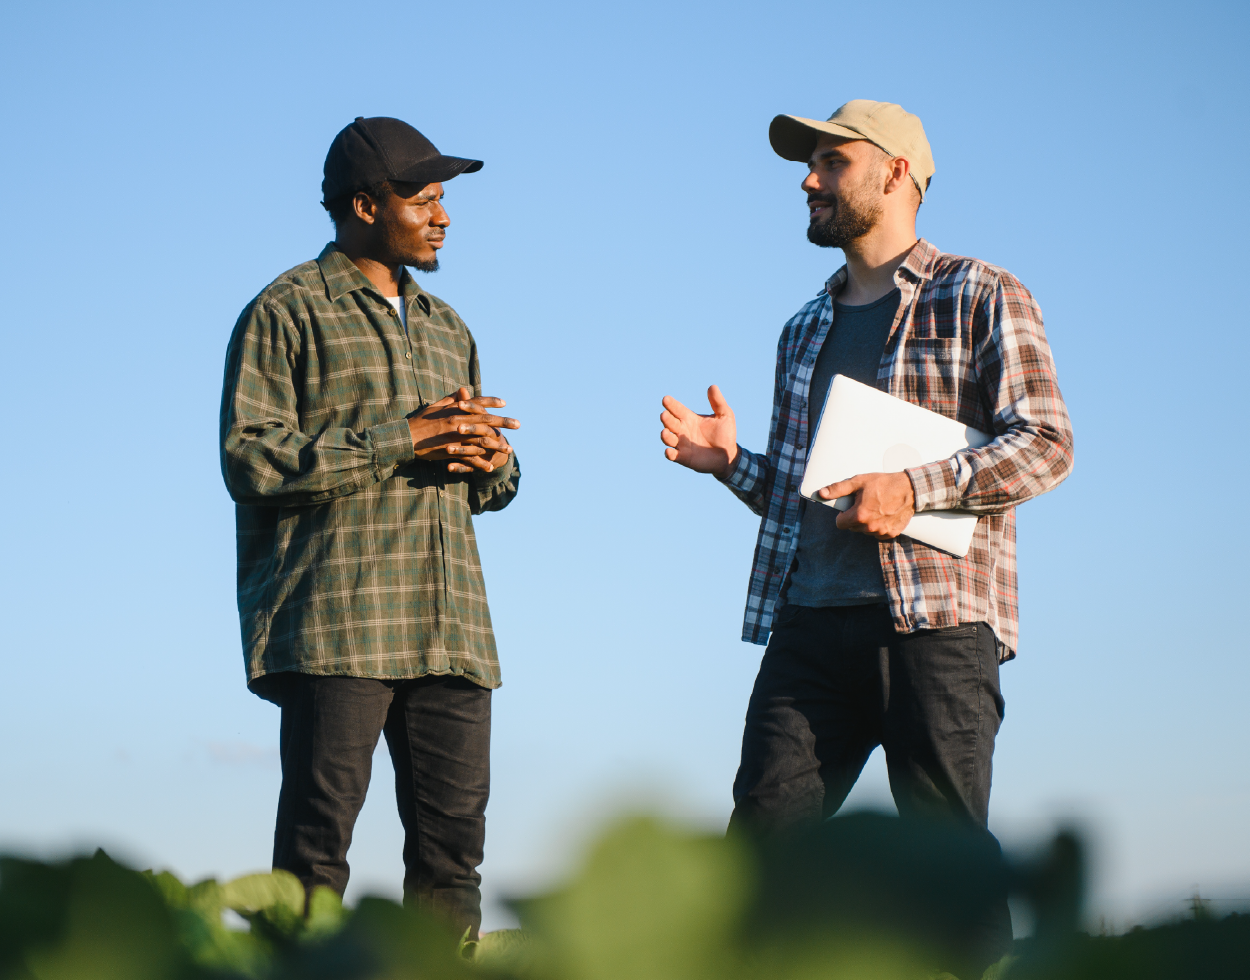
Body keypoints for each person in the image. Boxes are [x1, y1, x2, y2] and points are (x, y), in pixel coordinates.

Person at [659, 100, 1073, 963]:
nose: (808, 181)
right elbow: (811, 498)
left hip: (937, 628)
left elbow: (1046, 444)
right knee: (759, 862)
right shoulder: (803, 329)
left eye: (832, 162)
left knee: (946, 879)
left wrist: (914, 491)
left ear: (896, 172)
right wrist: (731, 462)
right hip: (809, 624)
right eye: (808, 166)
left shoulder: (981, 293)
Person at [219, 116, 520, 938]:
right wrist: (402, 438)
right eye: (424, 200)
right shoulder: (285, 311)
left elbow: (492, 489)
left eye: (444, 201)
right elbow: (250, 459)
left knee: (453, 862)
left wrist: (491, 460)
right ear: (365, 205)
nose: (442, 217)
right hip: (340, 626)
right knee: (315, 857)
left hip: (451, 629)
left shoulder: (448, 327)